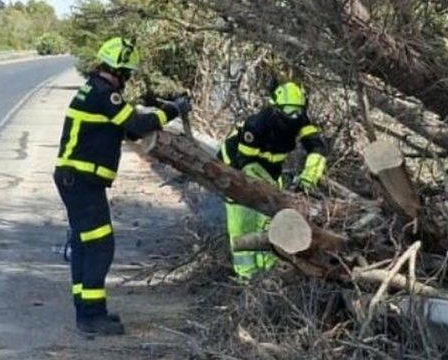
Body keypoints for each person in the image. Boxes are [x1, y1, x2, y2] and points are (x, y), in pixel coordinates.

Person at [54, 37, 191, 336]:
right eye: (127, 72)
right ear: (119, 70)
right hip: (81, 180)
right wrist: (173, 111)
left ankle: (88, 310)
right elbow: (135, 125)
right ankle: (91, 316)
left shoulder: (94, 89)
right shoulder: (105, 94)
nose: (128, 79)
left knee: (84, 243)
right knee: (99, 244)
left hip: (77, 179)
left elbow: (123, 128)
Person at [217, 81, 327, 279]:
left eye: (298, 112)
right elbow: (247, 164)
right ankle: (245, 275)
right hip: (234, 167)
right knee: (243, 220)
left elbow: (317, 147)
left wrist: (308, 179)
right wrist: (270, 190)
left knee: (270, 219)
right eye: (289, 111)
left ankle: (268, 270)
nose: (293, 117)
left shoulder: (300, 120)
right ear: (275, 107)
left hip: (269, 170)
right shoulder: (257, 125)